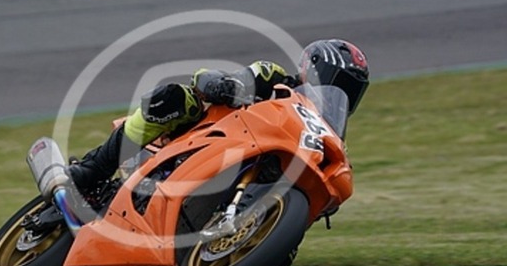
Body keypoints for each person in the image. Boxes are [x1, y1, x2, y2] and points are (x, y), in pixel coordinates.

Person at [66, 39, 369, 191]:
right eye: (338, 81)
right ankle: (93, 169)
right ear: (313, 69)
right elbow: (208, 77)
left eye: (350, 90)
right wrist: (222, 86)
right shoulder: (273, 77)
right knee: (174, 98)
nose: (341, 92)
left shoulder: (328, 140)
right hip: (204, 139)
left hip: (242, 176)